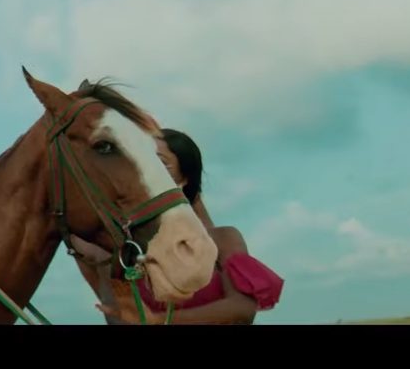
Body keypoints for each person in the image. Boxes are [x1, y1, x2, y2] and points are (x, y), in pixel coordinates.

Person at [74, 128, 284, 325]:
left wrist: (158, 320)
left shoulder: (223, 239)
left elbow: (242, 309)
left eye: (161, 163)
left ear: (183, 178)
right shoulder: (120, 252)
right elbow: (118, 316)